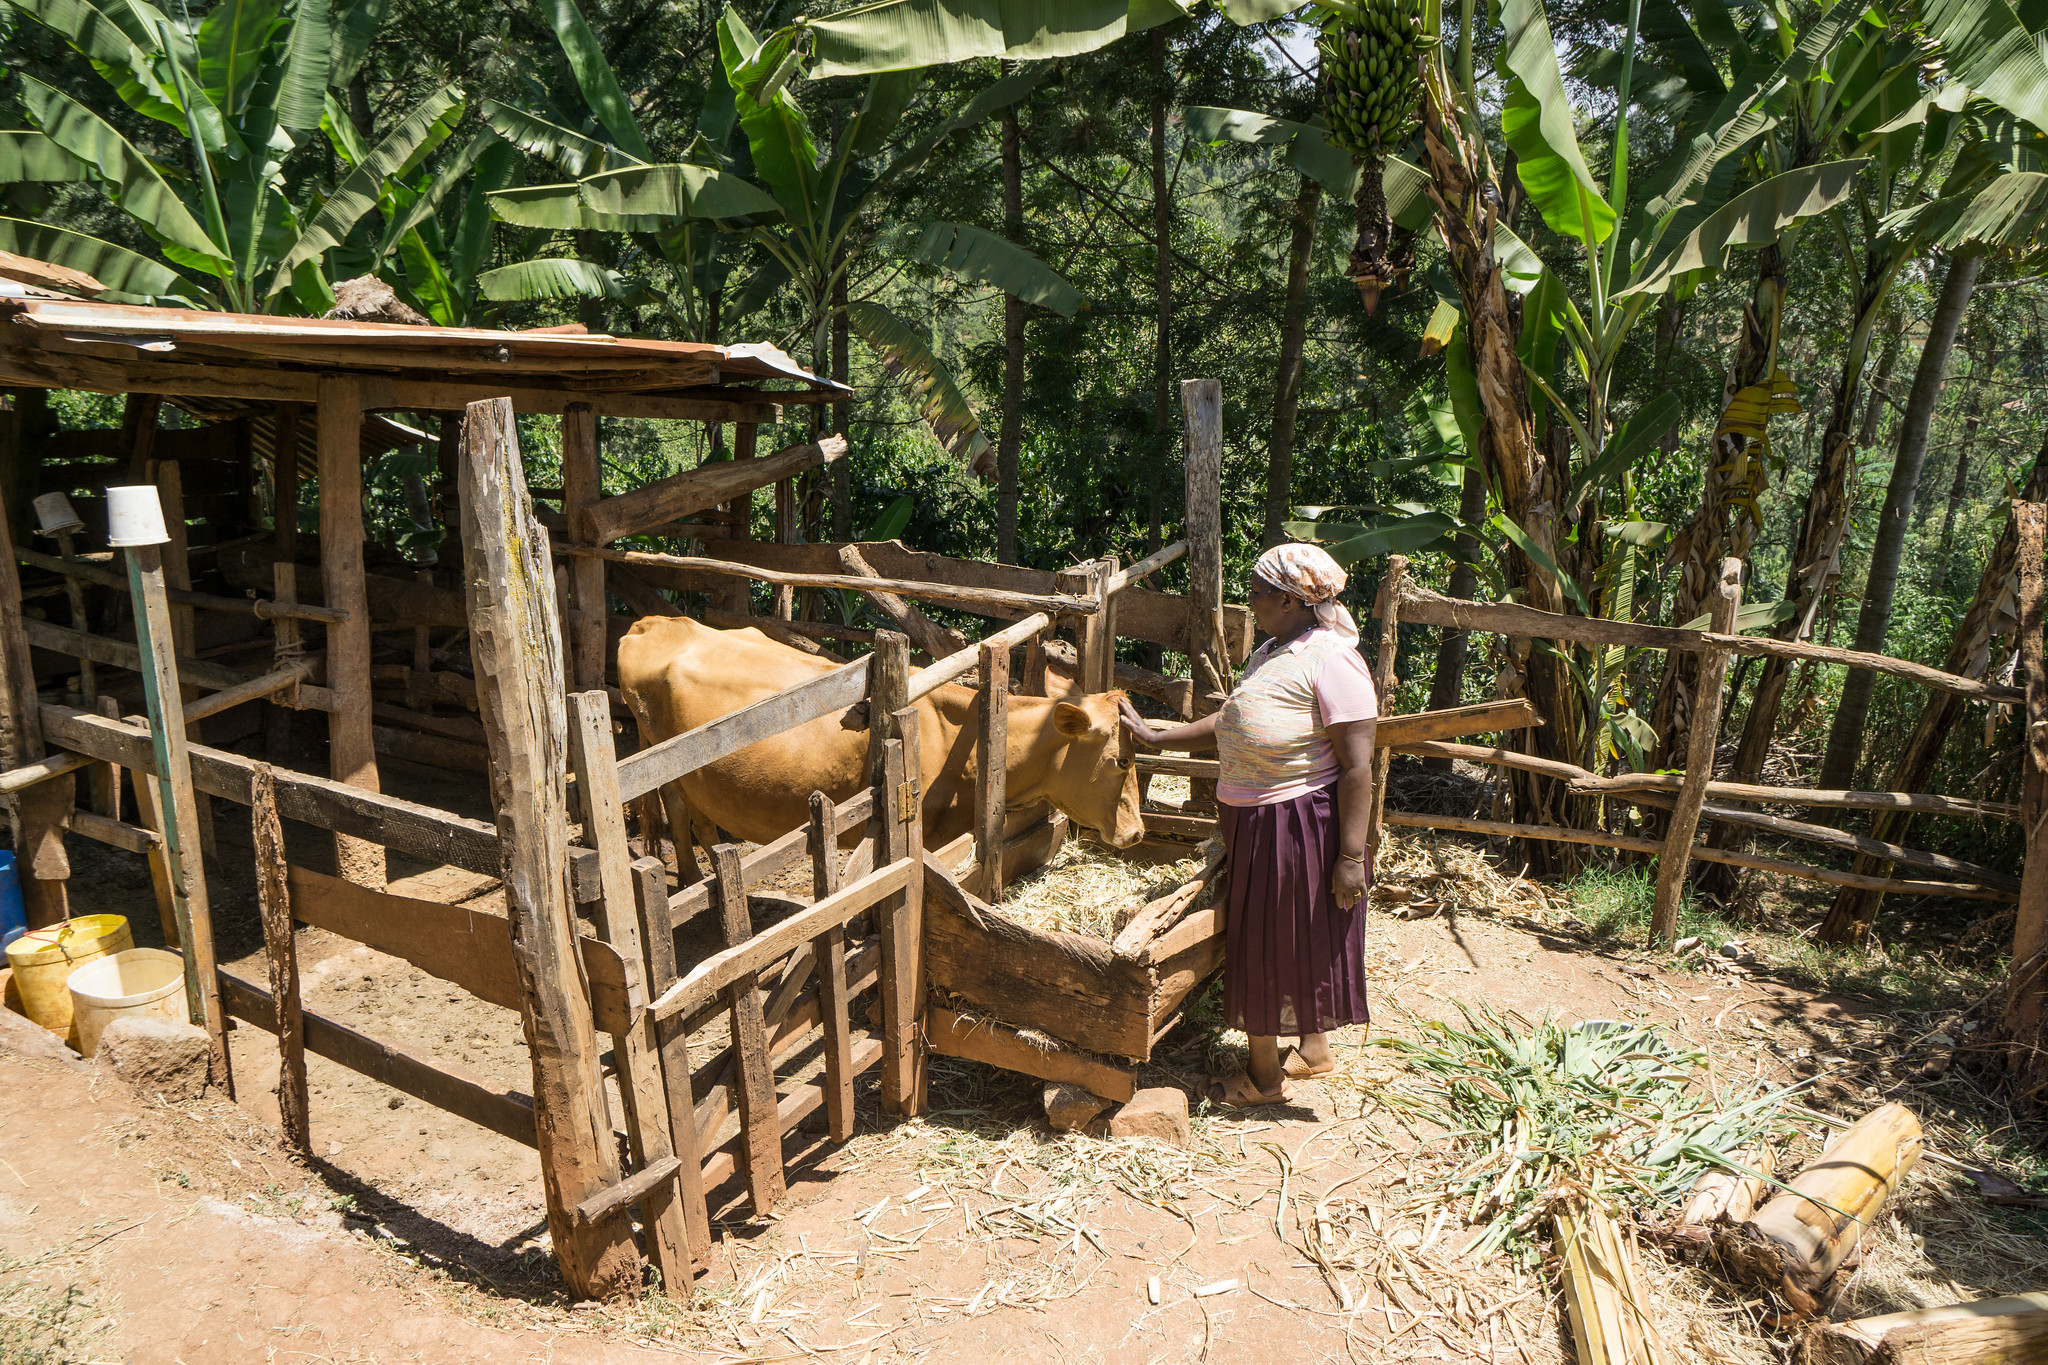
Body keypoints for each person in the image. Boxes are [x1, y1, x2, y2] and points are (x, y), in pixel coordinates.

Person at [1120, 543, 1377, 1105]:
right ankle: (1314, 1049)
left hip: (1295, 819)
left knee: (1264, 942)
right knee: (1292, 932)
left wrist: (1351, 857)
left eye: (1259, 594)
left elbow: (1359, 766)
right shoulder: (1273, 650)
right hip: (1260, 819)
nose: (1252, 603)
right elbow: (1236, 714)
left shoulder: (1333, 660)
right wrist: (1159, 737)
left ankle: (1264, 1081)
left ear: (1290, 599)